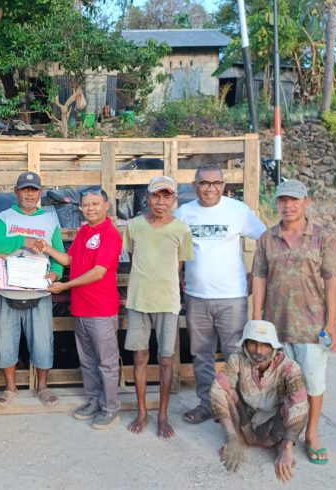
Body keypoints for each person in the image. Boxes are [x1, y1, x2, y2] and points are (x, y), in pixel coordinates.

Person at [252, 179, 336, 465]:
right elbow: (259, 279)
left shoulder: (323, 237)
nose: (288, 206)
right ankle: (286, 434)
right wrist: (257, 323)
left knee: (313, 383)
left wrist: (331, 324)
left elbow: (331, 282)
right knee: (281, 385)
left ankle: (311, 434)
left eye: (294, 200)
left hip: (311, 328)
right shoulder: (267, 238)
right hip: (276, 328)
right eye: (283, 200)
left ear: (307, 202)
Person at [174, 164, 266, 424]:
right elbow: (174, 247)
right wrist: (178, 275)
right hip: (196, 296)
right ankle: (207, 403)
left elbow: (266, 239)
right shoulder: (184, 213)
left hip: (232, 296)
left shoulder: (237, 211)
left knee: (235, 354)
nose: (210, 188)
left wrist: (256, 272)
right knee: (201, 354)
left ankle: (238, 406)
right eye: (204, 183)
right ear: (195, 186)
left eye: (216, 183)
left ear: (223, 185)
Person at [41, 188, 123, 430]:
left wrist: (65, 285)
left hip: (101, 309)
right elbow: (70, 260)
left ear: (106, 206)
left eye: (95, 204)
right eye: (86, 205)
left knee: (106, 362)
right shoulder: (84, 231)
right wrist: (46, 248)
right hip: (81, 308)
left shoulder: (110, 234)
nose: (90, 209)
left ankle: (111, 408)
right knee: (87, 361)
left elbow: (98, 272)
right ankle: (94, 401)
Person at [0, 171, 66, 408]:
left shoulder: (50, 220)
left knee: (42, 341)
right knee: (4, 341)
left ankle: (42, 386)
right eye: (25, 190)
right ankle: (10, 387)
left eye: (34, 190)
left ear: (40, 193)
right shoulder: (4, 218)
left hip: (39, 292)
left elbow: (59, 257)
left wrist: (56, 274)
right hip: (7, 291)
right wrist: (24, 240)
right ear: (16, 192)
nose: (29, 194)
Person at [123, 175, 193, 438]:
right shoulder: (134, 226)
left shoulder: (181, 229)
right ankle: (142, 412)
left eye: (167, 196)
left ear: (174, 199)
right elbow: (134, 257)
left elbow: (179, 265)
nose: (161, 202)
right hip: (139, 300)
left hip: (167, 301)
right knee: (140, 356)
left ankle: (163, 415)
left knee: (166, 359)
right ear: (147, 197)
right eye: (156, 196)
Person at [210, 320, 308, 483]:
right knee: (225, 391)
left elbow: (299, 405)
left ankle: (281, 446)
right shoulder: (237, 359)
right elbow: (217, 390)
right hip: (245, 422)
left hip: (272, 429)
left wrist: (287, 446)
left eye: (265, 345)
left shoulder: (289, 368)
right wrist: (231, 435)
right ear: (245, 345)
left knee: (298, 404)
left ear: (274, 348)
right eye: (252, 344)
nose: (258, 351)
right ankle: (237, 440)